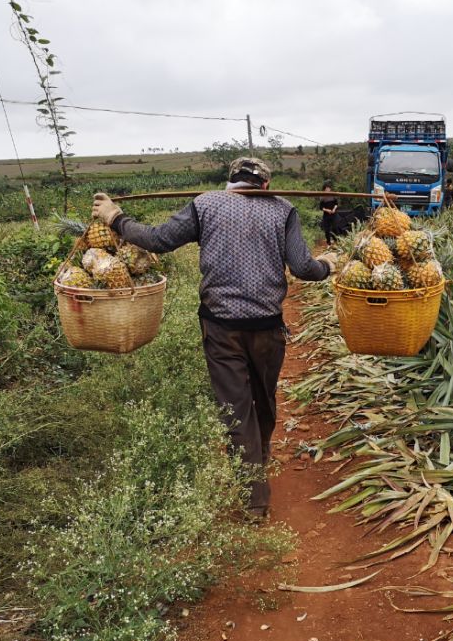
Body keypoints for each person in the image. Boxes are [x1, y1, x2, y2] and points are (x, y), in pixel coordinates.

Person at [91, 157, 337, 519]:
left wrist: (115, 217)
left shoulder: (205, 203)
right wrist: (329, 263)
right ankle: (259, 456)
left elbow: (158, 240)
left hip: (221, 326)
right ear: (266, 185)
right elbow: (303, 268)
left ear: (230, 182)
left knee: (236, 409)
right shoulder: (283, 209)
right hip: (267, 327)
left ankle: (254, 499)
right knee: (263, 398)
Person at [318, 180, 339, 246]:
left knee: (335, 227)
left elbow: (336, 203)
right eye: (326, 189)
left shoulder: (333, 195)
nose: (328, 190)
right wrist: (327, 210)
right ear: (324, 189)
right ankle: (328, 243)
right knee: (327, 229)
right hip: (326, 215)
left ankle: (336, 241)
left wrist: (334, 209)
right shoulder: (322, 197)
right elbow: (321, 207)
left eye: (329, 188)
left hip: (333, 214)